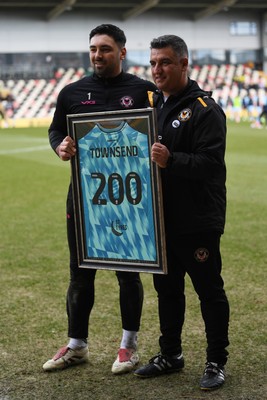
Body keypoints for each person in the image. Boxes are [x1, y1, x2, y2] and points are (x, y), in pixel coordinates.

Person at [43, 24, 156, 374]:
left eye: (105, 49)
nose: (97, 55)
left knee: (128, 274)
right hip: (84, 198)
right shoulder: (72, 92)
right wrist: (59, 145)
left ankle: (128, 346)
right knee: (80, 273)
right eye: (93, 48)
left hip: (130, 201)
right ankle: (76, 346)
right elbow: (56, 129)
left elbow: (159, 128)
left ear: (122, 52)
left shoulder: (145, 91)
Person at [134, 35, 230, 391]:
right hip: (161, 219)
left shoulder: (205, 108)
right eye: (153, 63)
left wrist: (171, 160)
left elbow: (210, 163)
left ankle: (216, 361)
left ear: (184, 64)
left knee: (209, 290)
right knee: (167, 290)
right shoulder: (153, 106)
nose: (157, 69)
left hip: (198, 219)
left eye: (165, 62)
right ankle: (170, 354)